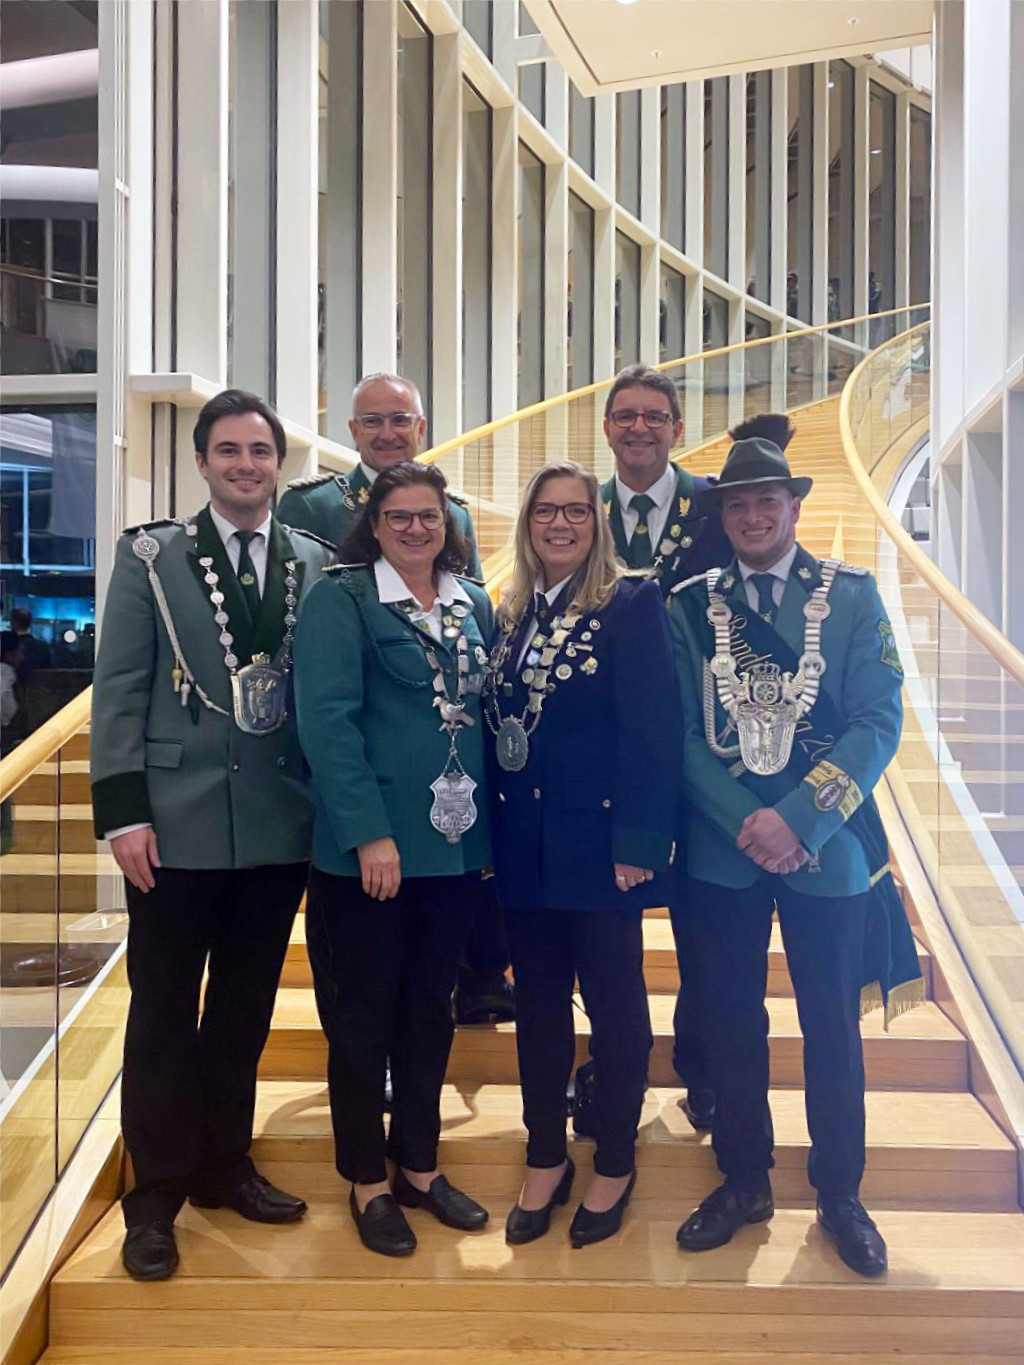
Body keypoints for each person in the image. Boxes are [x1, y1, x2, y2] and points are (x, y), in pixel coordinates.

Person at [90, 389, 334, 1282]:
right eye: (227, 450)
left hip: (276, 827)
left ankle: (226, 1163)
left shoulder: (312, 560)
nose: (245, 465)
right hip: (173, 825)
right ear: (202, 462)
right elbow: (118, 687)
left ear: (279, 463)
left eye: (260, 451)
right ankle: (154, 1195)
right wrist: (123, 811)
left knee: (244, 1007)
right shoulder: (150, 556)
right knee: (160, 1013)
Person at [668, 431, 923, 1278]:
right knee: (731, 1022)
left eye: (764, 501)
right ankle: (744, 1177)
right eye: (735, 504)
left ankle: (840, 1192)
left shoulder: (849, 597)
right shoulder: (688, 605)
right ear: (723, 516)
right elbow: (680, 737)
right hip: (723, 847)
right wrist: (752, 819)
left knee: (829, 1029)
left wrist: (799, 820)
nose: (750, 515)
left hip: (827, 849)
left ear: (794, 506)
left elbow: (877, 721)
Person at [293, 461, 493, 1258]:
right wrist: (367, 830)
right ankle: (365, 1180)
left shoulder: (470, 602)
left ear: (448, 526)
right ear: (374, 525)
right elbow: (328, 725)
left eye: (430, 517)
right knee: (363, 1020)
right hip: (371, 856)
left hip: (454, 850)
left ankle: (418, 1163)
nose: (417, 528)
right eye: (400, 516)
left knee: (431, 1013)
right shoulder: (339, 600)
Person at [486, 462, 678, 1249]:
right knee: (536, 1007)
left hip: (601, 852)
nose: (559, 524)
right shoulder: (510, 612)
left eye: (575, 512)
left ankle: (617, 1157)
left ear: (596, 523)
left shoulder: (629, 602)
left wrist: (639, 840)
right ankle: (543, 1152)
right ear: (527, 523)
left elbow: (655, 729)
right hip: (524, 851)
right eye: (545, 512)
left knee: (616, 1007)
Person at [279, 372, 510, 1025]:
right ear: (352, 432)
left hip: (435, 775)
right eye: (373, 420)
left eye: (400, 419)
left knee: (427, 979)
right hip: (345, 740)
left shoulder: (454, 512)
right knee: (351, 961)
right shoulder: (312, 507)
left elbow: (465, 634)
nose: (387, 432)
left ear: (421, 428)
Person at [595, 363, 733, 1133]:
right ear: (608, 428)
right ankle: (610, 1064)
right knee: (604, 921)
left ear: (677, 427)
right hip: (607, 750)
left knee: (704, 919)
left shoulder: (717, 504)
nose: (639, 427)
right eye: (625, 415)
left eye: (654, 415)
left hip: (706, 746)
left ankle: (701, 1063)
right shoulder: (581, 507)